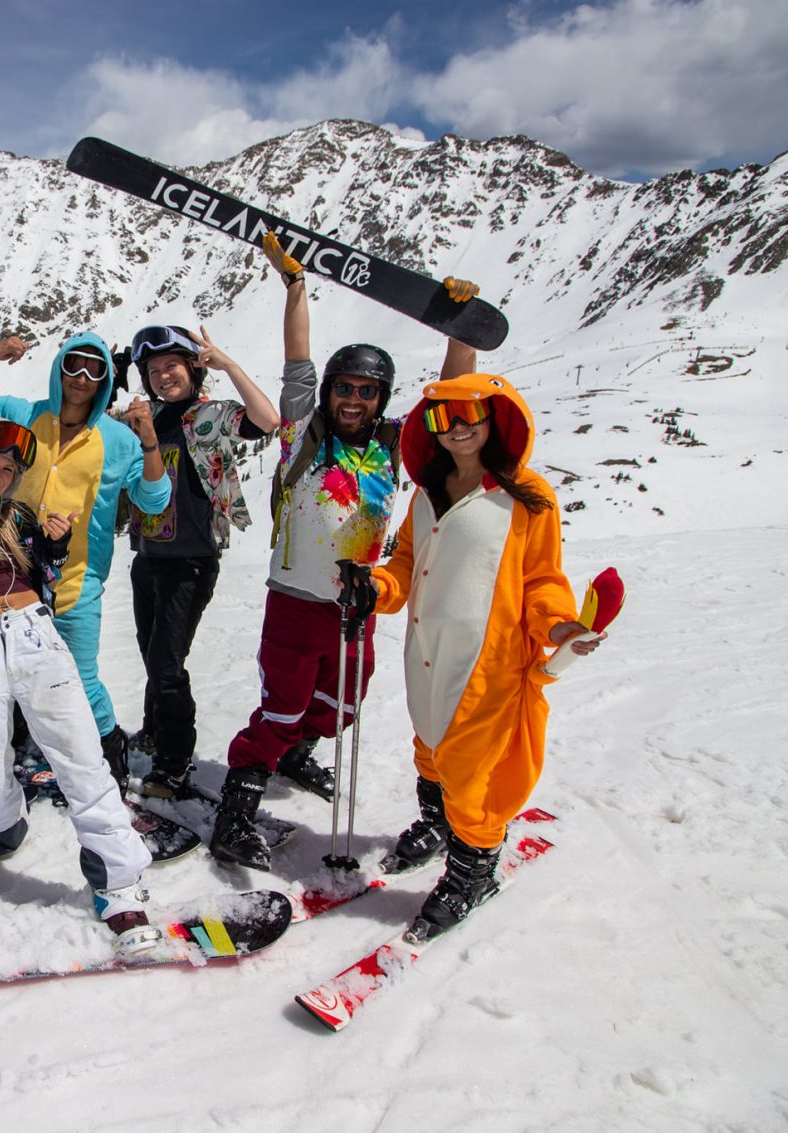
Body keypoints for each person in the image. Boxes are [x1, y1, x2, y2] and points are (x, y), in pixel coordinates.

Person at [209, 234, 479, 870]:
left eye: (368, 391)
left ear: (382, 399)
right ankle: (235, 813)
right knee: (282, 707)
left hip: (357, 605)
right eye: (345, 388)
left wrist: (460, 332)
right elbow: (297, 357)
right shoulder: (303, 430)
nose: (353, 399)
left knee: (342, 707)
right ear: (329, 390)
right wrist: (295, 285)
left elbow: (448, 397)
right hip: (297, 604)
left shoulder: (395, 446)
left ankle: (297, 753)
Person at [369, 372, 601, 941]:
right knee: (429, 744)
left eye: (468, 414)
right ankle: (438, 822)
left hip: (490, 658)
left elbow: (543, 578)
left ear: (496, 415)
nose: (457, 429)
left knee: (472, 772)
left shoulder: (527, 495)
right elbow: (405, 564)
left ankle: (473, 871)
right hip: (428, 650)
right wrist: (376, 587)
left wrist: (561, 625)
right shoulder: (427, 494)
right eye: (441, 419)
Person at [0, 419, 158, 954]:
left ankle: (117, 877)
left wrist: (55, 542)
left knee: (78, 751)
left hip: (34, 635)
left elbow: (46, 582)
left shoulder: (21, 518)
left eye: (8, 468)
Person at [0, 334, 170, 785]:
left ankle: (107, 755)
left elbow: (154, 501)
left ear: (106, 380)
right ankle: (20, 740)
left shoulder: (118, 441)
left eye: (94, 369)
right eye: (72, 365)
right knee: (7, 670)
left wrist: (150, 441)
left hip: (76, 582)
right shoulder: (21, 415)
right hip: (10, 585)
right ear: (58, 368)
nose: (81, 377)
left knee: (79, 677)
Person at [120, 324, 278, 798]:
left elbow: (268, 421)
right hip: (148, 557)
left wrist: (227, 364)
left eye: (171, 366)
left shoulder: (207, 416)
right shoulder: (147, 419)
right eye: (153, 370)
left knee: (168, 664)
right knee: (153, 655)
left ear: (192, 367)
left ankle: (174, 760)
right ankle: (153, 731)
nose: (163, 376)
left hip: (189, 560)